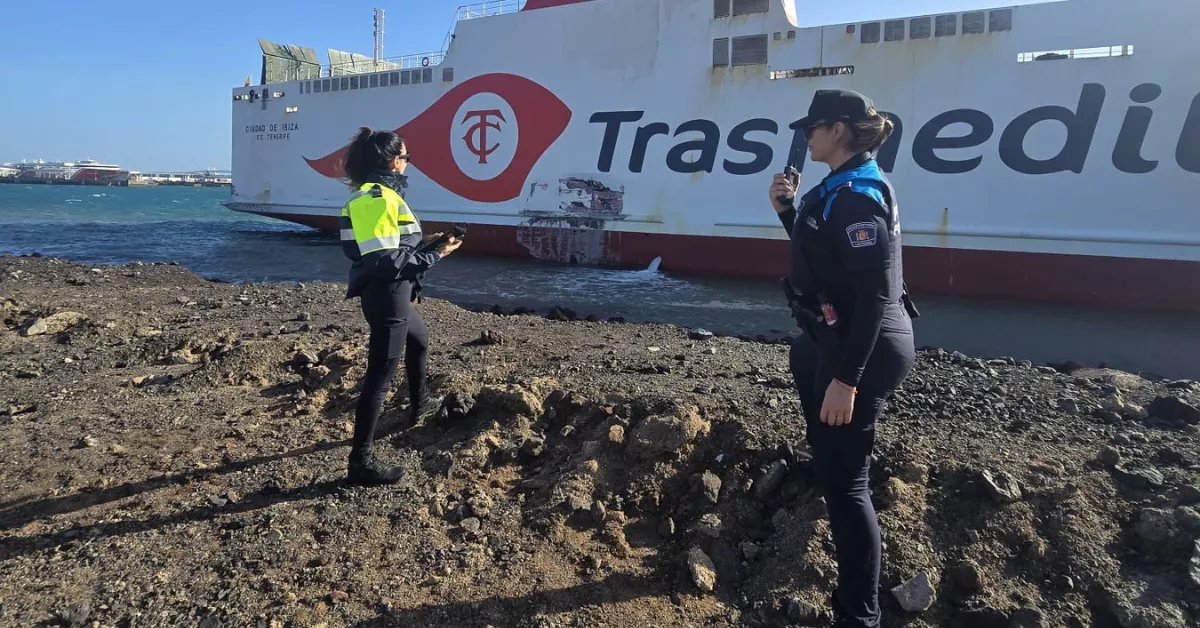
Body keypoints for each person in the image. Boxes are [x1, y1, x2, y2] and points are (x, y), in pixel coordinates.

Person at [768, 89, 919, 627]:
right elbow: (821, 259)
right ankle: (827, 466)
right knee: (831, 463)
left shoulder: (856, 196)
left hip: (861, 347)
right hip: (827, 337)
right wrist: (788, 212)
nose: (805, 136)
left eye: (812, 127)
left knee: (848, 485)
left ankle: (860, 615)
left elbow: (877, 296)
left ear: (838, 130)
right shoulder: (837, 188)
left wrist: (846, 381)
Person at [340, 126, 463, 486]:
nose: (408, 163)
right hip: (387, 295)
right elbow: (384, 261)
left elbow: (393, 247)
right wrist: (436, 255)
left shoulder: (381, 196)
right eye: (406, 157)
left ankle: (420, 403)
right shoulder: (376, 198)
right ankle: (360, 462)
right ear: (393, 162)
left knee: (420, 338)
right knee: (379, 378)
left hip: (392, 293)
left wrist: (430, 243)